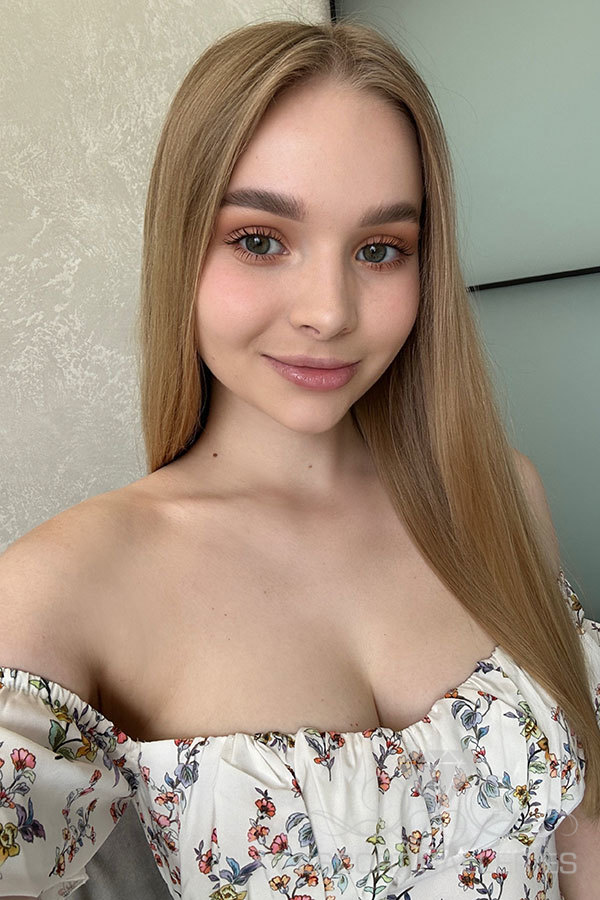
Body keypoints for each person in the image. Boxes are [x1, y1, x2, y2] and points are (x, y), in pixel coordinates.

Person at [0, 16, 598, 900]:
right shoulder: (64, 587)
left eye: (380, 250)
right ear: (181, 246)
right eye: (260, 240)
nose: (329, 311)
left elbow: (582, 831)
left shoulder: (501, 494)